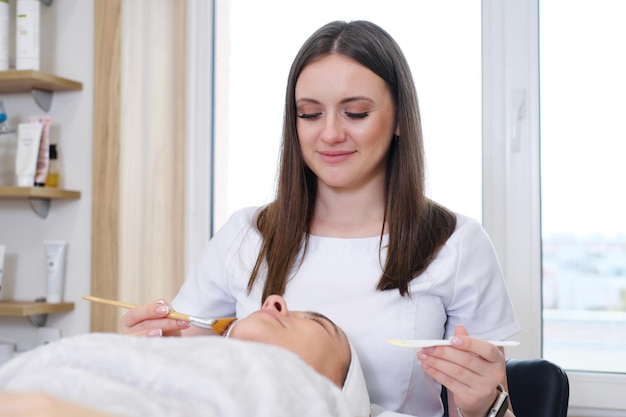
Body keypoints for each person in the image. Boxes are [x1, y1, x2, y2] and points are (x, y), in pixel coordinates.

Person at [121, 20, 521, 417]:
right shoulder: (245, 236)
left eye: (355, 113)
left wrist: (487, 406)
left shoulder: (455, 244)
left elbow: (481, 403)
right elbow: (186, 377)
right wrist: (149, 353)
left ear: (399, 119)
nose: (329, 134)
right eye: (310, 114)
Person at [0, 294, 370, 417]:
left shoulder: (308, 399)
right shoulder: (192, 359)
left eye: (317, 323)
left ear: (331, 390)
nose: (274, 300)